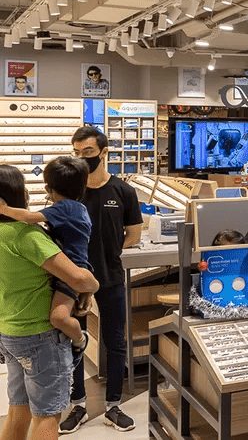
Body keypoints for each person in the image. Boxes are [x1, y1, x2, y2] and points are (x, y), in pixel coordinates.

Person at [0, 165, 99, 440]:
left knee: (18, 409)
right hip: (40, 336)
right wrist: (94, 286)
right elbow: (78, 278)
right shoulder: (26, 235)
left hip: (10, 332)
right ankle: (80, 340)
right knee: (47, 415)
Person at [60, 127, 143, 434]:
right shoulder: (70, 190)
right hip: (73, 278)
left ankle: (113, 406)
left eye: (88, 152)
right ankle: (78, 405)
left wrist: (109, 250)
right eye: (76, 152)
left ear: (104, 152)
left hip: (110, 276)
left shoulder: (123, 191)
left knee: (115, 341)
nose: (81, 158)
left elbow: (134, 234)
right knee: (73, 340)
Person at [0, 156, 93, 364]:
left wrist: (4, 209)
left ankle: (79, 339)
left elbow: (28, 217)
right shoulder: (29, 233)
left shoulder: (66, 208)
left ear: (49, 188)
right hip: (36, 327)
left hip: (75, 267)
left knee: (59, 317)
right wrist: (91, 286)